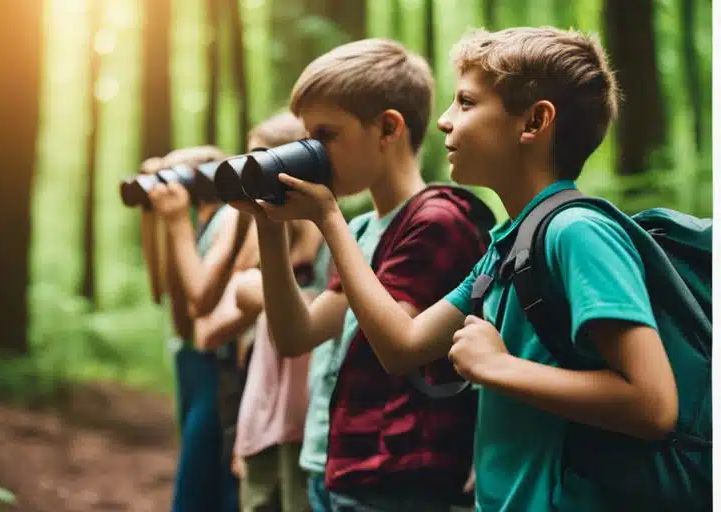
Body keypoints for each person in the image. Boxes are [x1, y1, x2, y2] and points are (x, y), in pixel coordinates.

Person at [257, 27, 680, 511]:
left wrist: (500, 367)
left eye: (466, 102)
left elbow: (653, 403)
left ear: (534, 123)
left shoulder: (577, 232)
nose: (442, 121)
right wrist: (314, 220)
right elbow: (401, 348)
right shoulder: (505, 249)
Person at [233, 39, 490, 511]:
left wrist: (327, 219)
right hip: (335, 463)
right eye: (306, 137)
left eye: (326, 135)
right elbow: (296, 335)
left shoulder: (435, 221)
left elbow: (396, 347)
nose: (312, 152)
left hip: (398, 477)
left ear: (388, 128)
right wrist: (270, 228)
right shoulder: (361, 230)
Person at [199, 112, 322, 512]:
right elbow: (208, 331)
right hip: (261, 414)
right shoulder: (260, 242)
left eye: (259, 163)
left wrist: (265, 296)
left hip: (309, 426)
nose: (250, 176)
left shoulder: (335, 240)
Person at [147, 145, 257, 512]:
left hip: (218, 365)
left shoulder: (230, 219)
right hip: (195, 364)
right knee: (201, 472)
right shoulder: (201, 222)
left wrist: (176, 223)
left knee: (204, 482)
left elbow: (198, 310)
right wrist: (154, 215)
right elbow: (162, 294)